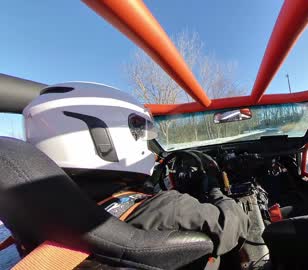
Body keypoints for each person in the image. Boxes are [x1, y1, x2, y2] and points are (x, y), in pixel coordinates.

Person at [23, 82, 249, 255]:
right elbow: (232, 226)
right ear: (100, 135)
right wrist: (215, 190)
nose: (144, 141)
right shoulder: (166, 208)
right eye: (139, 130)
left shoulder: (41, 214)